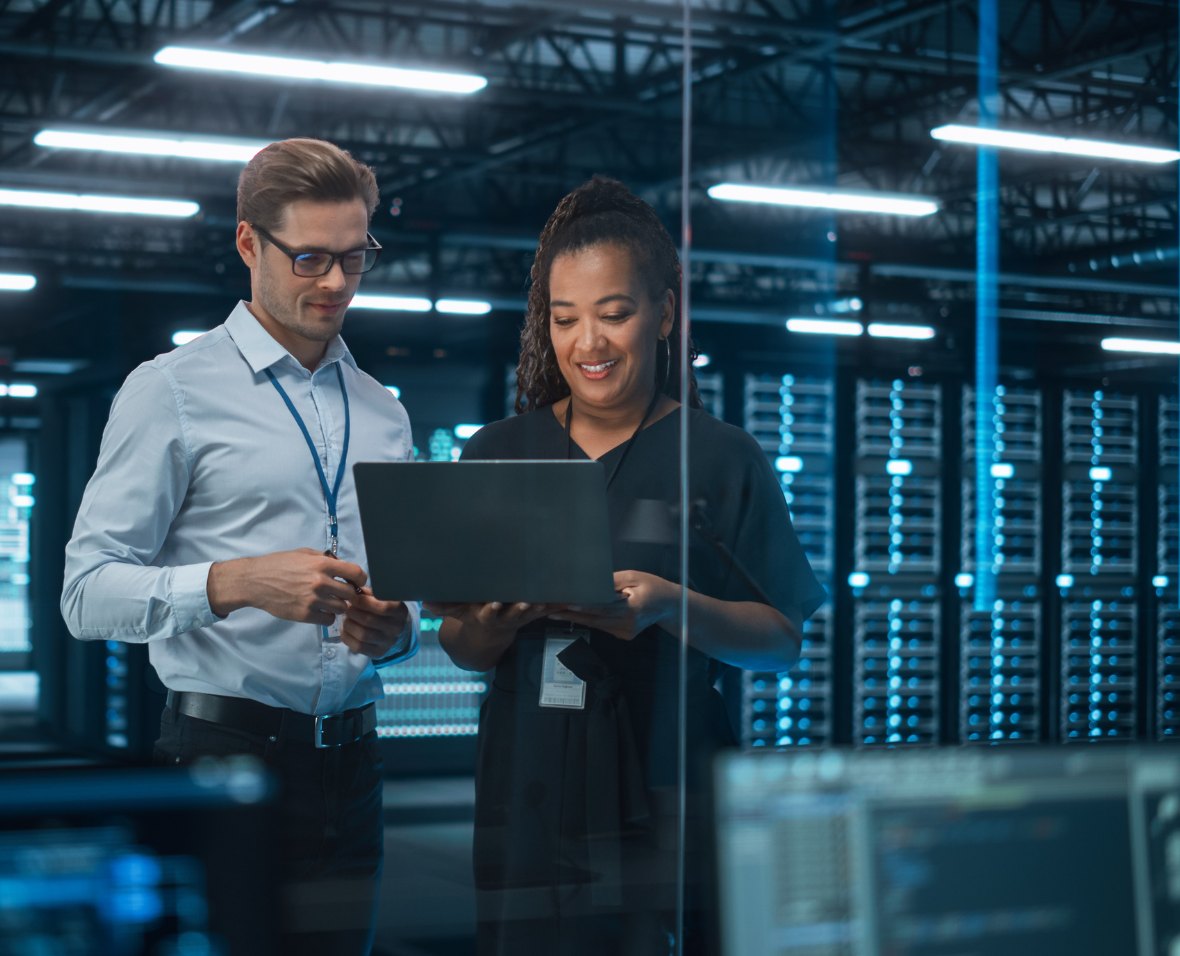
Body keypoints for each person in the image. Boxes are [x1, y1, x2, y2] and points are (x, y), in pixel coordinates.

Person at [432, 177, 825, 955]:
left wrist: (670, 604)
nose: (588, 343)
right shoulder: (497, 453)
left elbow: (781, 641)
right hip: (528, 774)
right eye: (565, 318)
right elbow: (460, 644)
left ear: (664, 314)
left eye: (614, 314)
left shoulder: (721, 459)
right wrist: (490, 623)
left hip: (667, 768)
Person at [60, 138, 419, 956]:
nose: (335, 283)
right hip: (222, 756)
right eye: (309, 258)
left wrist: (397, 636)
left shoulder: (383, 410)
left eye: (354, 259)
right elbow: (85, 595)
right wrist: (237, 582)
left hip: (355, 769)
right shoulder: (172, 390)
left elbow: (405, 600)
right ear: (249, 244)